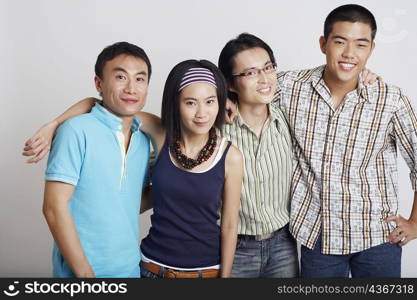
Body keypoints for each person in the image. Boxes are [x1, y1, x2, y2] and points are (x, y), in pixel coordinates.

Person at [226, 5, 417, 277]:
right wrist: (224, 98)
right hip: (318, 237)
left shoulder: (390, 99)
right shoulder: (291, 87)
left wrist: (415, 223)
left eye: (360, 45)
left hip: (377, 237)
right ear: (323, 44)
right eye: (340, 42)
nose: (349, 53)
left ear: (371, 49)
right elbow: (251, 84)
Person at [25, 59, 243, 278]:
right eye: (190, 103)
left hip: (205, 272)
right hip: (151, 268)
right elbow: (97, 104)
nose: (201, 113)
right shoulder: (161, 134)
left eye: (210, 102)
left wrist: (224, 279)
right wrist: (53, 125)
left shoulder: (231, 157)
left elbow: (230, 225)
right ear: (176, 104)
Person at [42, 41, 152, 278]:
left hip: (131, 270)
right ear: (99, 83)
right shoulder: (75, 130)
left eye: (140, 79)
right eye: (121, 77)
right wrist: (86, 276)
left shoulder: (143, 141)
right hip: (81, 276)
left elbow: (129, 202)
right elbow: (53, 207)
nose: (132, 88)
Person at [217, 34, 298, 277]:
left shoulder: (287, 118)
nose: (265, 79)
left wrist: (363, 74)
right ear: (230, 84)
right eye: (251, 73)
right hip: (235, 246)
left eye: (268, 68)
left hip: (283, 243)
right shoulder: (216, 128)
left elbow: (326, 78)